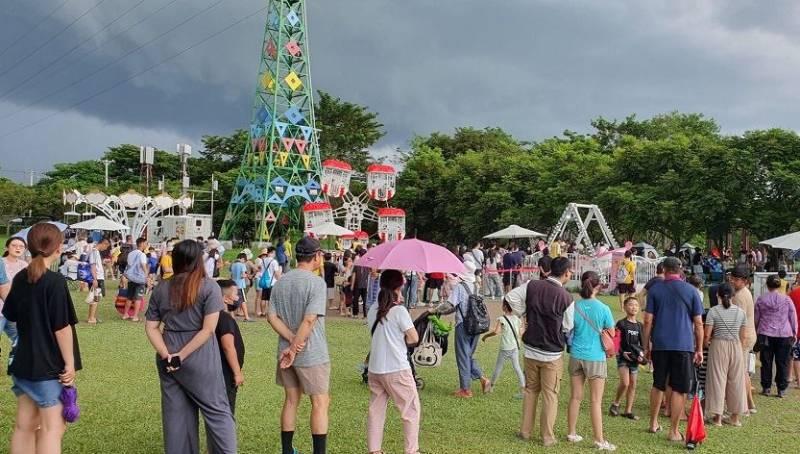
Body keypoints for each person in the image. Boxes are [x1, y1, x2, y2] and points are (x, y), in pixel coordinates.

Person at [145, 240, 236, 454]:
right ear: (198, 260)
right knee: (218, 412)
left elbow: (151, 328)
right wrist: (181, 355)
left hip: (167, 352)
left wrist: (168, 355)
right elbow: (208, 330)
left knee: (176, 417)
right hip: (199, 354)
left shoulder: (161, 288)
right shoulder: (209, 286)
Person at [2, 222, 82, 454]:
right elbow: (62, 328)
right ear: (58, 248)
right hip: (48, 367)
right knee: (52, 428)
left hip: (23, 363)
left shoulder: (20, 279)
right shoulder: (54, 282)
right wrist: (69, 363)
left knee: (24, 426)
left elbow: (12, 315)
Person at [267, 236, 330, 454]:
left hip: (285, 352)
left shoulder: (281, 281)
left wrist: (290, 341)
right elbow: (310, 319)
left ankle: (287, 450)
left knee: (291, 400)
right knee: (320, 402)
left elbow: (271, 317)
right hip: (310, 352)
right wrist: (295, 347)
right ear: (317, 256)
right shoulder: (316, 283)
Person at [504, 256, 573, 447]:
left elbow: (510, 297)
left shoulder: (532, 285)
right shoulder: (567, 298)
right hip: (552, 353)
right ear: (566, 273)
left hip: (531, 349)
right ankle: (547, 437)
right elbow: (568, 326)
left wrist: (524, 312)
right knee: (550, 395)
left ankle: (525, 432)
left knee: (530, 391)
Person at [642, 257, 704, 443]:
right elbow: (699, 323)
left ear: (664, 269)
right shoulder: (692, 291)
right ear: (680, 270)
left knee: (658, 383)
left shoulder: (655, 289)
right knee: (679, 388)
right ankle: (674, 431)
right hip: (683, 345)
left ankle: (653, 423)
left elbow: (647, 320)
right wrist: (699, 348)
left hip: (660, 343)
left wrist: (646, 345)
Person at [366, 270, 421, 454]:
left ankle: (374, 450)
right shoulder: (399, 311)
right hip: (397, 368)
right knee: (410, 410)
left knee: (376, 411)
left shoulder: (373, 309)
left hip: (375, 369)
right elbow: (414, 338)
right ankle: (411, 451)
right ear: (398, 287)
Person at [565, 271, 616, 451]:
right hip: (595, 357)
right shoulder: (603, 308)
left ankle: (571, 432)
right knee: (595, 401)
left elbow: (569, 329)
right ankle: (599, 439)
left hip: (576, 356)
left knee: (575, 397)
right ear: (598, 286)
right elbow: (612, 333)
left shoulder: (574, 306)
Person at [432, 260, 490, 398]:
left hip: (463, 325)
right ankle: (482, 378)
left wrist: (435, 310)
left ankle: (465, 389)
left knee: (463, 356)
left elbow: (449, 305)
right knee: (468, 355)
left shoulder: (460, 287)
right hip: (477, 326)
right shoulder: (476, 286)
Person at [704, 283, 747, 426]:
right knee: (736, 381)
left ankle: (717, 418)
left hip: (718, 345)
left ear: (718, 295)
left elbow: (707, 335)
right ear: (733, 295)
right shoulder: (741, 312)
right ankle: (735, 417)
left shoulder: (713, 311)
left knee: (718, 380)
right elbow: (743, 336)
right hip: (736, 346)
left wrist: (706, 343)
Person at [754, 274, 798, 398]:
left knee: (766, 361)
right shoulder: (787, 299)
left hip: (765, 333)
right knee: (782, 362)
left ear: (767, 285)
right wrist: (795, 332)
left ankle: (766, 387)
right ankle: (781, 389)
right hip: (784, 334)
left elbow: (757, 317)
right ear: (779, 285)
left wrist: (756, 329)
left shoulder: (761, 299)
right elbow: (793, 316)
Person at [610, 297, 645, 421]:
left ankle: (628, 410)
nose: (634, 307)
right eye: (630, 305)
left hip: (634, 358)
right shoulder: (621, 323)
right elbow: (616, 341)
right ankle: (615, 404)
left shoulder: (640, 325)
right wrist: (621, 352)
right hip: (623, 357)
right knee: (625, 383)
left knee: (633, 384)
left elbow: (643, 343)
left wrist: (642, 355)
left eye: (636, 305)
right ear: (625, 307)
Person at [481, 300, 525, 399]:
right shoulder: (517, 319)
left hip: (505, 348)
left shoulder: (501, 319)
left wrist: (486, 336)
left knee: (498, 368)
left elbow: (496, 332)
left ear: (505, 307)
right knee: (517, 368)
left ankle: (491, 386)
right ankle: (523, 389)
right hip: (515, 347)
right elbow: (520, 333)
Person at [730, 264, 757, 413]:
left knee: (741, 372)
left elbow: (738, 321)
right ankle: (749, 403)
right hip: (748, 335)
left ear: (744, 281)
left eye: (736, 279)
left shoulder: (740, 296)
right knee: (743, 371)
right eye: (732, 278)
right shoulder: (744, 292)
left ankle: (747, 404)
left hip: (744, 336)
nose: (733, 281)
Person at [216, 280, 246, 416]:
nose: (238, 297)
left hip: (219, 372)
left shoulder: (215, 317)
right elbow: (228, 347)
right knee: (226, 411)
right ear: (225, 299)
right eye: (235, 294)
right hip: (225, 373)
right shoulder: (225, 319)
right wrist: (237, 372)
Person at [1, 237, 27, 346]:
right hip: (1, 308)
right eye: (14, 245)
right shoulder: (1, 263)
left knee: (21, 339)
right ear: (7, 247)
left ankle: (16, 360)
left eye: (21, 246)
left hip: (17, 310)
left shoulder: (25, 266)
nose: (18, 248)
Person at [123, 238, 149, 322]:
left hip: (131, 278)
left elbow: (128, 265)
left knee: (129, 297)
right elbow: (143, 265)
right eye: (145, 243)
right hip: (139, 279)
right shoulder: (142, 255)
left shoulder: (131, 253)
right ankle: (135, 316)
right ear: (141, 244)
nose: (146, 245)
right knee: (138, 298)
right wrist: (147, 276)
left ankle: (125, 314)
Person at [85, 238, 110, 325]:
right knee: (96, 298)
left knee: (94, 298)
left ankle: (92, 316)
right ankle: (91, 318)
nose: (106, 249)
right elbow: (93, 266)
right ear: (104, 244)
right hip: (97, 278)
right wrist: (95, 279)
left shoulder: (95, 252)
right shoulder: (94, 252)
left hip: (97, 277)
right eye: (106, 246)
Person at [257, 247, 282, 318]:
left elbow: (261, 270)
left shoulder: (263, 260)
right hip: (272, 282)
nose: (275, 254)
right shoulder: (274, 262)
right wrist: (280, 279)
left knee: (263, 298)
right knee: (271, 299)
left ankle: (263, 312)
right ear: (272, 252)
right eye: (274, 253)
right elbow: (277, 274)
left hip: (264, 282)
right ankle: (271, 313)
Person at [230, 253, 252, 322]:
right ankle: (246, 317)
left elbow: (231, 273)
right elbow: (242, 275)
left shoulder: (233, 265)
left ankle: (232, 316)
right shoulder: (242, 265)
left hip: (233, 285)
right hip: (240, 285)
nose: (244, 262)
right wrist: (246, 275)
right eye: (244, 260)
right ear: (242, 259)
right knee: (243, 301)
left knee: (232, 300)